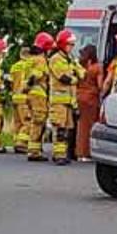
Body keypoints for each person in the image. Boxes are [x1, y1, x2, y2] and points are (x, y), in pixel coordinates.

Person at [45, 29, 80, 165]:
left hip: (69, 102)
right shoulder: (55, 59)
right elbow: (64, 78)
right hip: (59, 101)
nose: (72, 47)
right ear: (62, 44)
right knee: (59, 128)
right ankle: (59, 155)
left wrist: (77, 75)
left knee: (66, 129)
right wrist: (75, 78)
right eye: (69, 44)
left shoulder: (70, 59)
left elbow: (82, 73)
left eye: (72, 45)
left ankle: (62, 154)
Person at [22, 32, 53, 161]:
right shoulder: (40, 60)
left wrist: (26, 88)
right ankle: (34, 151)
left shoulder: (29, 59)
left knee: (36, 121)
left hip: (30, 95)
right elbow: (36, 75)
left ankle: (35, 149)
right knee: (39, 121)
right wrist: (30, 85)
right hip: (38, 94)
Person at [7, 36, 37, 155]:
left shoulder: (14, 66)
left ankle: (16, 141)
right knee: (27, 122)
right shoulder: (29, 65)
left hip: (15, 96)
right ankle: (21, 143)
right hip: (24, 97)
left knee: (17, 122)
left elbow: (10, 82)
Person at [75, 44, 102, 161]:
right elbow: (100, 85)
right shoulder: (97, 67)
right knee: (89, 126)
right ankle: (86, 153)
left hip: (79, 96)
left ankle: (79, 151)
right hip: (91, 98)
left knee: (81, 126)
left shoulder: (80, 67)